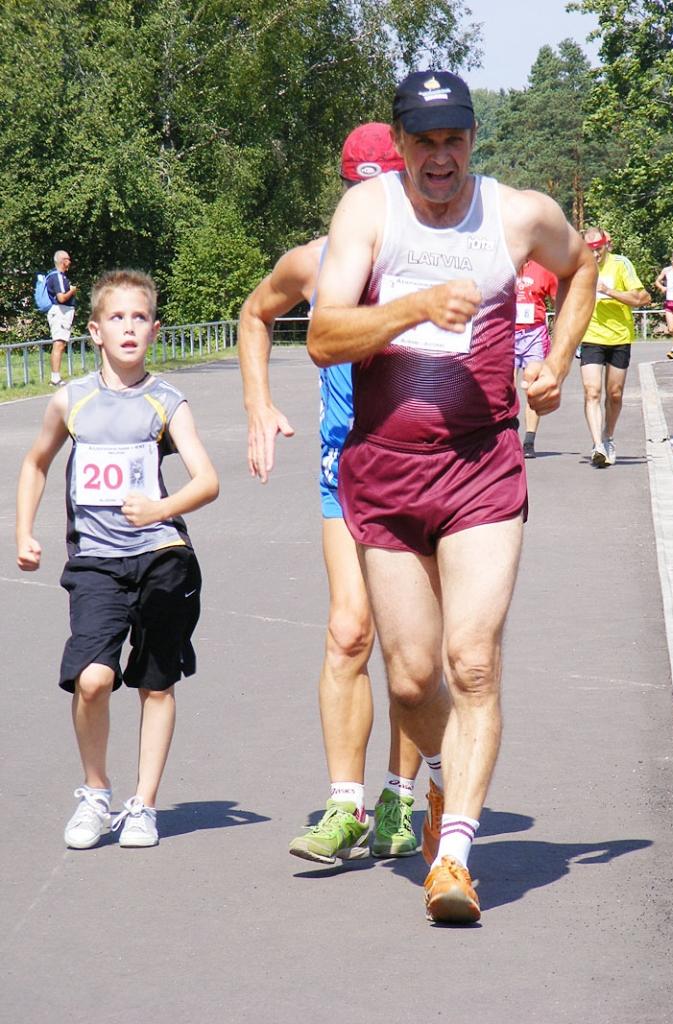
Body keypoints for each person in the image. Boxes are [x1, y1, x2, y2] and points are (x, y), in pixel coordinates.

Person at [307, 70, 596, 923]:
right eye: (424, 140)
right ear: (400, 145)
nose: (441, 156)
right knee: (410, 679)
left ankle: (457, 860)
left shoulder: (517, 214)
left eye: (455, 138)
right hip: (386, 472)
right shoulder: (369, 215)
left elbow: (579, 268)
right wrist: (414, 306)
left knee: (471, 660)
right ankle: (442, 783)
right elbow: (324, 336)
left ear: (474, 137)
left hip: (481, 467)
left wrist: (556, 364)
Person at [238, 123, 425, 865]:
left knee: (412, 650)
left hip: (421, 468)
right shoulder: (315, 262)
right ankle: (344, 805)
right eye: (364, 186)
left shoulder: (433, 257)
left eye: (389, 183)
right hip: (343, 469)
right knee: (349, 630)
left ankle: (403, 800)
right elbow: (257, 312)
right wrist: (259, 402)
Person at [16, 269, 219, 850]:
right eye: (117, 318)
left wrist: (160, 508)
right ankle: (96, 793)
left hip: (161, 557)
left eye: (139, 318)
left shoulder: (166, 401)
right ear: (95, 330)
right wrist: (24, 532)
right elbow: (36, 463)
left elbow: (206, 481)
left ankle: (143, 806)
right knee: (93, 680)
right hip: (98, 561)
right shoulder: (72, 399)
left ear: (154, 330)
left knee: (156, 684)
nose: (129, 327)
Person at [579, 227, 651, 467]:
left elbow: (643, 298)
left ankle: (608, 436)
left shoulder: (622, 264)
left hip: (619, 336)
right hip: (591, 335)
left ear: (607, 245)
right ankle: (597, 446)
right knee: (592, 391)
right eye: (590, 251)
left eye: (598, 249)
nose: (594, 255)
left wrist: (609, 291)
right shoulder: (580, 266)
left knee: (615, 394)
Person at [515, 260, 559, 458]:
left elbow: (558, 303)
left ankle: (529, 441)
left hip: (534, 333)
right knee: (503, 388)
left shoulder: (544, 268)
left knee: (531, 387)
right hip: (508, 332)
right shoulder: (507, 263)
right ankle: (507, 436)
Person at [45, 250, 78, 387]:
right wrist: (72, 290)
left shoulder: (60, 276)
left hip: (63, 312)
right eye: (68, 259)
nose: (70, 262)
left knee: (61, 343)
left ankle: (56, 376)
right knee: (58, 344)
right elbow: (61, 298)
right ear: (63, 260)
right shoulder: (57, 276)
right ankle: (55, 378)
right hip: (60, 312)